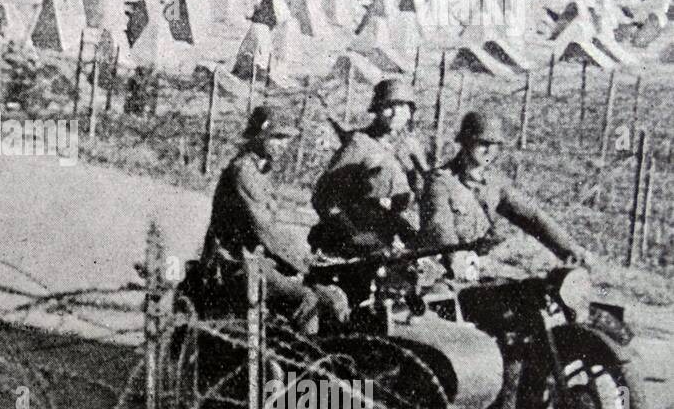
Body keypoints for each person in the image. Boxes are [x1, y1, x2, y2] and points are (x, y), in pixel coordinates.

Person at [201, 107, 350, 335]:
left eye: (287, 139)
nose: (283, 144)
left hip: (257, 259)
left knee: (330, 297)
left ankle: (317, 360)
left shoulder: (261, 171)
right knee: (307, 300)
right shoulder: (244, 172)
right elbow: (265, 231)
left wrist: (306, 260)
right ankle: (297, 367)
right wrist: (305, 263)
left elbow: (275, 226)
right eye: (277, 137)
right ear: (259, 135)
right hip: (234, 263)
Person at [419, 112, 594, 278]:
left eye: (494, 145)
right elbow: (439, 227)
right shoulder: (441, 182)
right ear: (465, 141)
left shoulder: (495, 184)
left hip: (476, 266)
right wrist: (455, 257)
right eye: (483, 143)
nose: (489, 151)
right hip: (441, 268)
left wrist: (570, 249)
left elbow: (533, 217)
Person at [310, 79, 425, 258]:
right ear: (377, 111)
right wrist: (354, 235)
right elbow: (324, 197)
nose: (395, 113)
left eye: (402, 106)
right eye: (388, 106)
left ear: (410, 112)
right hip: (352, 241)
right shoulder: (359, 144)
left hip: (389, 237)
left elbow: (423, 192)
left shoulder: (410, 149)